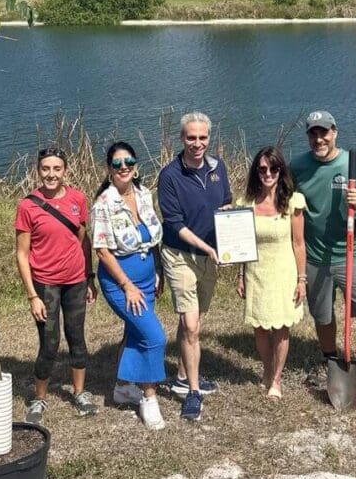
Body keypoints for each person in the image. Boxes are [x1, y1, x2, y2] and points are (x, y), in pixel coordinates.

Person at [291, 110, 356, 393]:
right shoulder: (297, 166)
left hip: (352, 253)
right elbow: (283, 202)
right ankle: (329, 360)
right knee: (322, 315)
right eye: (313, 133)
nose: (319, 138)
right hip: (315, 256)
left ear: (334, 132)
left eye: (324, 132)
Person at [158, 111, 232, 422]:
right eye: (191, 137)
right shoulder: (170, 175)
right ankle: (192, 391)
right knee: (190, 326)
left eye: (202, 137)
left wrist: (234, 229)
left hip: (210, 257)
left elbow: (226, 203)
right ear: (181, 138)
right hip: (180, 255)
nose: (197, 143)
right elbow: (175, 225)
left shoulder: (218, 167)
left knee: (195, 320)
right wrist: (208, 248)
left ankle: (180, 373)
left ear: (209, 138)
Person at [15, 148, 98, 423]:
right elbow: (22, 254)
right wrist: (32, 296)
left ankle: (79, 392)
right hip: (45, 284)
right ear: (38, 171)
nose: (51, 174)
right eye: (46, 169)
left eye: (57, 169)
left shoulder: (77, 199)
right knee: (49, 344)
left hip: (75, 280)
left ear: (65, 171)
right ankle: (39, 399)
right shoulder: (28, 205)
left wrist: (89, 277)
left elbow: (83, 240)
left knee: (77, 337)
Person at [91, 141, 167, 430]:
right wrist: (127, 286)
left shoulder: (145, 194)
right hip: (120, 282)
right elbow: (102, 250)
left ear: (136, 167)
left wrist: (157, 270)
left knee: (136, 332)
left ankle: (123, 387)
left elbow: (152, 237)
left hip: (147, 278)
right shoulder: (104, 204)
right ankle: (149, 398)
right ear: (109, 169)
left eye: (129, 162)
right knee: (154, 337)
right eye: (117, 164)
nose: (124, 168)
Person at [236, 147, 306, 399]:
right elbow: (241, 244)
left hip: (283, 272)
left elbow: (299, 244)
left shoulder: (293, 202)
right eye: (263, 168)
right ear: (256, 171)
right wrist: (240, 275)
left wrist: (302, 279)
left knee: (281, 328)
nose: (268, 173)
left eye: (273, 168)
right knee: (259, 327)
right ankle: (267, 369)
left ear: (281, 171)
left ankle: (276, 379)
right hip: (256, 272)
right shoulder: (245, 204)